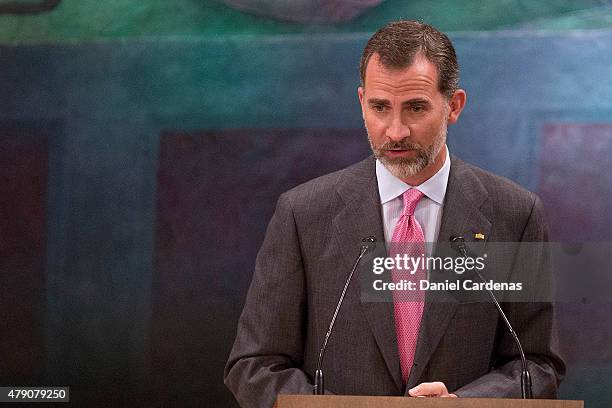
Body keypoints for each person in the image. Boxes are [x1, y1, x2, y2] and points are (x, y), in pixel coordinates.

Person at [224, 20, 565, 407]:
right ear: (361, 102)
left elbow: (537, 365)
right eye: (380, 107)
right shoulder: (304, 214)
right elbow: (254, 364)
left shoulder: (514, 214)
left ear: (453, 106)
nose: (396, 130)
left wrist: (463, 401)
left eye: (415, 107)